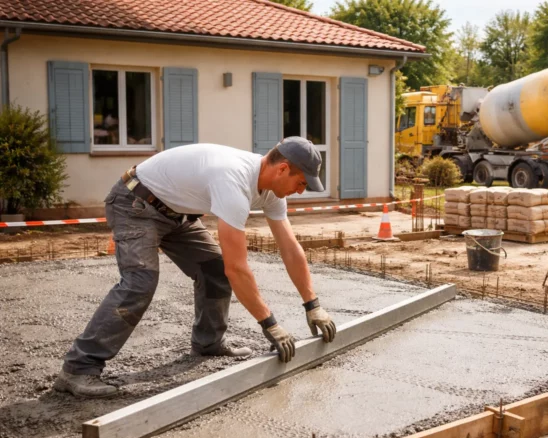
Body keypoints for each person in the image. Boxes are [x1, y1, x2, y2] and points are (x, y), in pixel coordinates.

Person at [54, 137, 337, 398]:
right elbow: (237, 268)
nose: (302, 191)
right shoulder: (233, 180)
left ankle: (208, 343)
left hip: (177, 214)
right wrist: (270, 324)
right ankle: (79, 369)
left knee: (212, 269)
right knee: (140, 282)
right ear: (283, 169)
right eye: (302, 183)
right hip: (135, 204)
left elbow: (290, 249)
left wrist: (312, 305)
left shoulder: (273, 193)